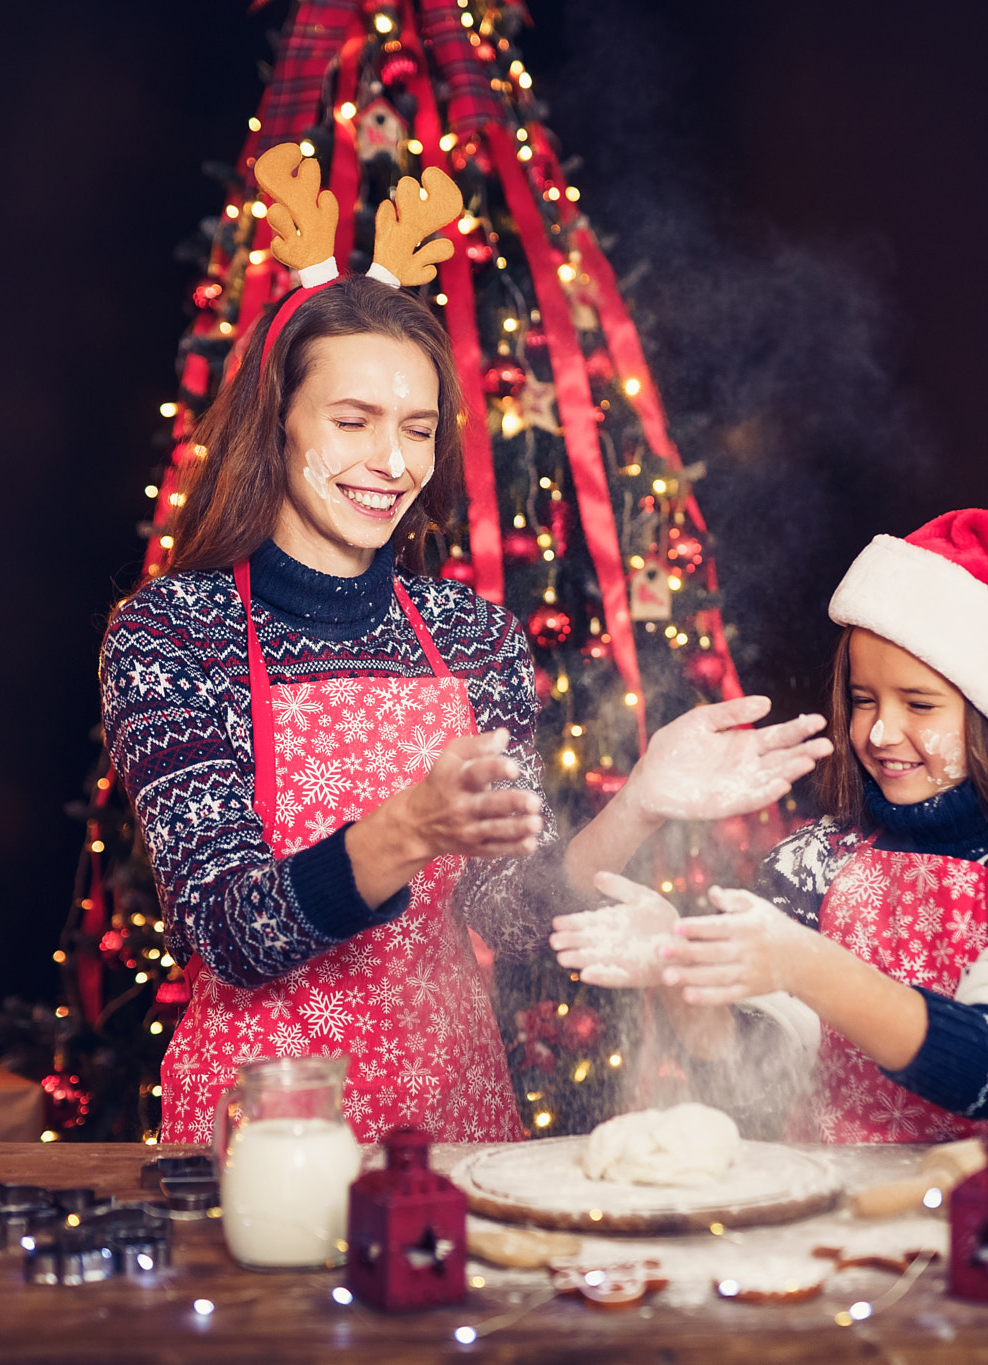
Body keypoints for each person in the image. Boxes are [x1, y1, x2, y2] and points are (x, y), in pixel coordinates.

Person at [100, 147, 827, 1146]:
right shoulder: (173, 633)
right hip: (269, 1128)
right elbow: (232, 934)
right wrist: (407, 827)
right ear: (276, 425)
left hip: (454, 1116)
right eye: (351, 420)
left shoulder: (466, 635)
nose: (390, 462)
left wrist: (640, 802)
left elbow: (514, 918)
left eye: (418, 428)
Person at [554, 509, 988, 1141]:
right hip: (843, 1220)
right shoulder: (814, 861)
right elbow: (756, 1073)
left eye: (919, 704)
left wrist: (807, 966)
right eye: (864, 701)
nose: (881, 733)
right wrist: (677, 970)